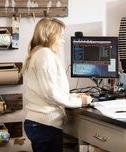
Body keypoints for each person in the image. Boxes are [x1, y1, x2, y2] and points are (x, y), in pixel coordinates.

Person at [22, 17, 92, 152]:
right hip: (45, 124)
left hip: (39, 123)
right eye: (61, 36)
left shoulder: (38, 53)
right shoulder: (45, 54)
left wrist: (74, 96)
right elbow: (51, 93)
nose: (63, 40)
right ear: (50, 36)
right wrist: (79, 102)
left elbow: (46, 90)